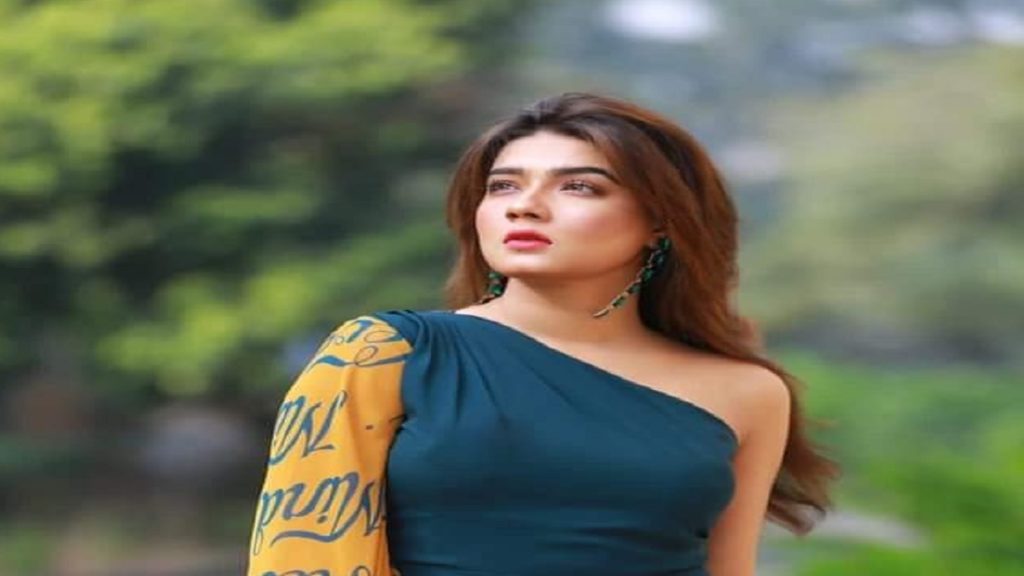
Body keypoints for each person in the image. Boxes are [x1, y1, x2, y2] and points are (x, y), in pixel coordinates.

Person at [246, 92, 840, 576]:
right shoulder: (384, 354)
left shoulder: (747, 392)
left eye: (578, 186)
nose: (524, 206)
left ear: (661, 221)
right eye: (503, 186)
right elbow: (299, 551)